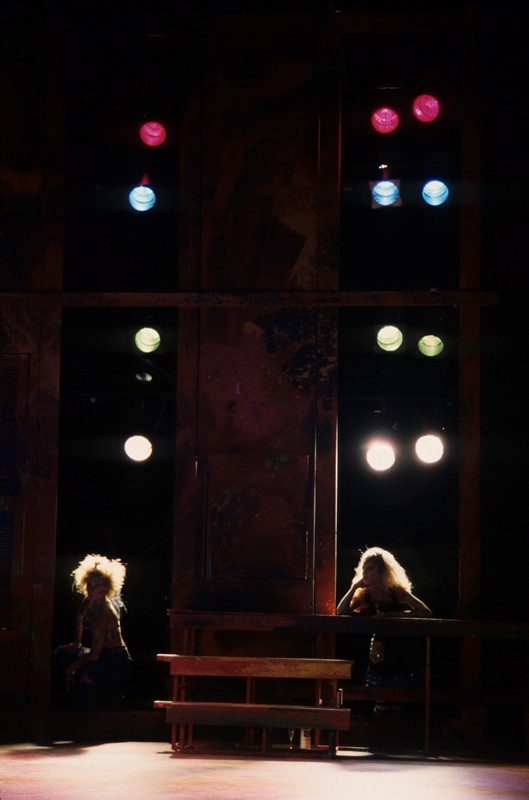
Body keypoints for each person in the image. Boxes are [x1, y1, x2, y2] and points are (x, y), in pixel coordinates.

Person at [337, 546, 432, 716]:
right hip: (380, 654)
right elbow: (340, 612)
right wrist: (354, 587)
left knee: (401, 705)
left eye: (370, 568)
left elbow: (426, 612)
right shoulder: (365, 595)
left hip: (403, 651)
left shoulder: (396, 592)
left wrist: (391, 615)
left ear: (381, 571)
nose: (365, 573)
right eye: (364, 569)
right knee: (381, 704)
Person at [53, 553, 133, 710]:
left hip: (115, 661)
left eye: (96, 585)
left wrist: (72, 668)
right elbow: (80, 616)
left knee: (81, 673)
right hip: (102, 655)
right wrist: (78, 641)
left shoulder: (104, 614)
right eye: (89, 584)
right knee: (63, 652)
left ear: (105, 588)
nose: (91, 589)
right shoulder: (90, 599)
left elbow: (95, 655)